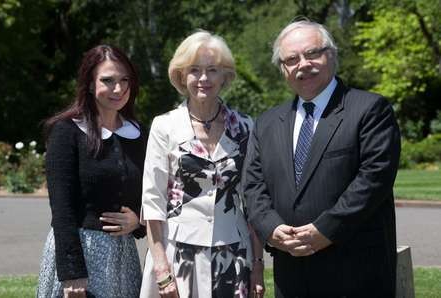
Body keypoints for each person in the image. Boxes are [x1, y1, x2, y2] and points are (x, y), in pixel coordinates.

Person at [243, 20, 401, 297]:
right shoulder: (266, 123)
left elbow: (374, 179)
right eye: (291, 59)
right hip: (291, 274)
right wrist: (272, 229)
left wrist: (324, 230)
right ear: (283, 69)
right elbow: (253, 187)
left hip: (356, 272)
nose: (303, 64)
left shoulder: (370, 109)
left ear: (332, 55)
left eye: (312, 53)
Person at [140, 31, 265, 298]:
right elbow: (152, 202)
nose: (204, 78)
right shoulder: (165, 126)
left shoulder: (245, 126)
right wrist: (161, 269)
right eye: (194, 70)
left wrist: (257, 265)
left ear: (225, 76)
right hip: (177, 256)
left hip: (234, 253)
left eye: (212, 70)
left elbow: (253, 200)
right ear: (182, 76)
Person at [37, 45, 147, 298]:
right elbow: (62, 209)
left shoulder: (138, 133)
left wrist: (138, 222)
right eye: (107, 81)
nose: (118, 89)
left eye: (124, 80)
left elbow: (152, 195)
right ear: (89, 83)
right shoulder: (67, 131)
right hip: (79, 254)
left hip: (122, 257)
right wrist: (72, 272)